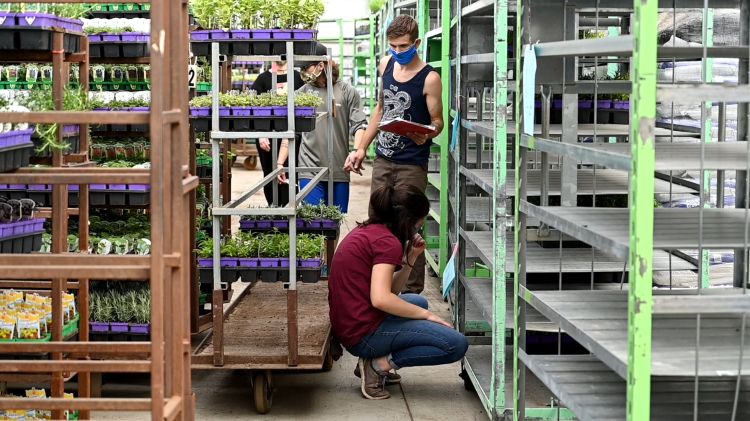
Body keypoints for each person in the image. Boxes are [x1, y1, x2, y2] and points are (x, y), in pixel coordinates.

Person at [328, 185, 468, 400]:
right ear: (408, 219)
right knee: (455, 344)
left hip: (351, 320)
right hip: (361, 333)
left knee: (416, 302)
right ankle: (377, 364)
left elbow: (390, 291)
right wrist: (429, 317)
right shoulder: (387, 243)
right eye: (421, 218)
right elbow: (381, 299)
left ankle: (374, 357)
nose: (422, 224)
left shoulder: (371, 231)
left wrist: (411, 257)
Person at [344, 14, 444, 294]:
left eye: (404, 46)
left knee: (409, 222)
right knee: (377, 217)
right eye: (394, 47)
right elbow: (380, 108)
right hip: (384, 158)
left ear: (417, 43)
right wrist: (362, 146)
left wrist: (429, 132)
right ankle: (377, 282)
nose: (398, 52)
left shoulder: (430, 78)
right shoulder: (386, 65)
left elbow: (438, 120)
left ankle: (411, 292)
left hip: (412, 162)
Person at [276, 42, 368, 213]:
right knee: (313, 222)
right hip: (308, 168)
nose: (302, 72)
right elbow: (292, 133)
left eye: (306, 67)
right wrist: (280, 162)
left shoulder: (347, 92)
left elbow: (359, 124)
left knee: (334, 222)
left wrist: (356, 150)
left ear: (320, 65)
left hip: (340, 167)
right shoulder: (301, 94)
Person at [251, 60, 304, 206]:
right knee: (270, 174)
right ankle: (273, 209)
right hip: (267, 138)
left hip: (293, 136)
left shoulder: (297, 78)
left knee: (291, 173)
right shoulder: (263, 79)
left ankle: (287, 212)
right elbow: (253, 108)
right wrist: (261, 133)